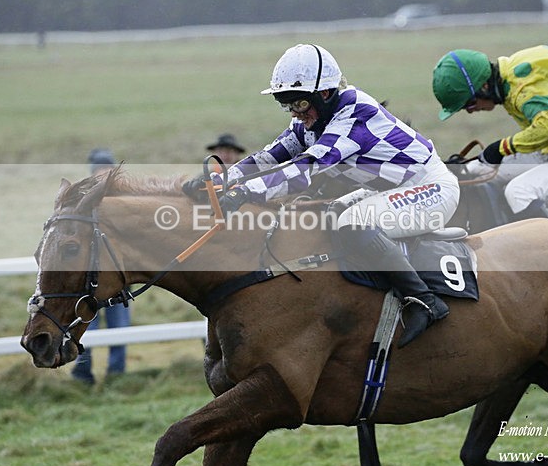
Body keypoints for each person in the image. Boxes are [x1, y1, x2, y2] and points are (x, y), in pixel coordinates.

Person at [184, 44, 460, 348]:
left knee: (353, 222)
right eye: (287, 105)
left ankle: (425, 301)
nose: (295, 113)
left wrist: (247, 192)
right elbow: (271, 156)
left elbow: (306, 169)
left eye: (300, 103)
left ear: (325, 94)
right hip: (390, 189)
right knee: (325, 217)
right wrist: (223, 178)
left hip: (432, 188)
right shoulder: (314, 116)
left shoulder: (354, 114)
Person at [432, 46, 548, 221]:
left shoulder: (522, 87)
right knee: (474, 170)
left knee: (519, 193)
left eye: (468, 104)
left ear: (485, 86)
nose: (470, 111)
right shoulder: (511, 75)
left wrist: (503, 148)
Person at [71, 148, 132, 385]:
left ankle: (117, 373)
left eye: (107, 170)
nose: (102, 174)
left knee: (120, 326)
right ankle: (82, 372)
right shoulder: (83, 203)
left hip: (118, 278)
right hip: (89, 279)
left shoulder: (123, 201)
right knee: (85, 326)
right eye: (99, 170)